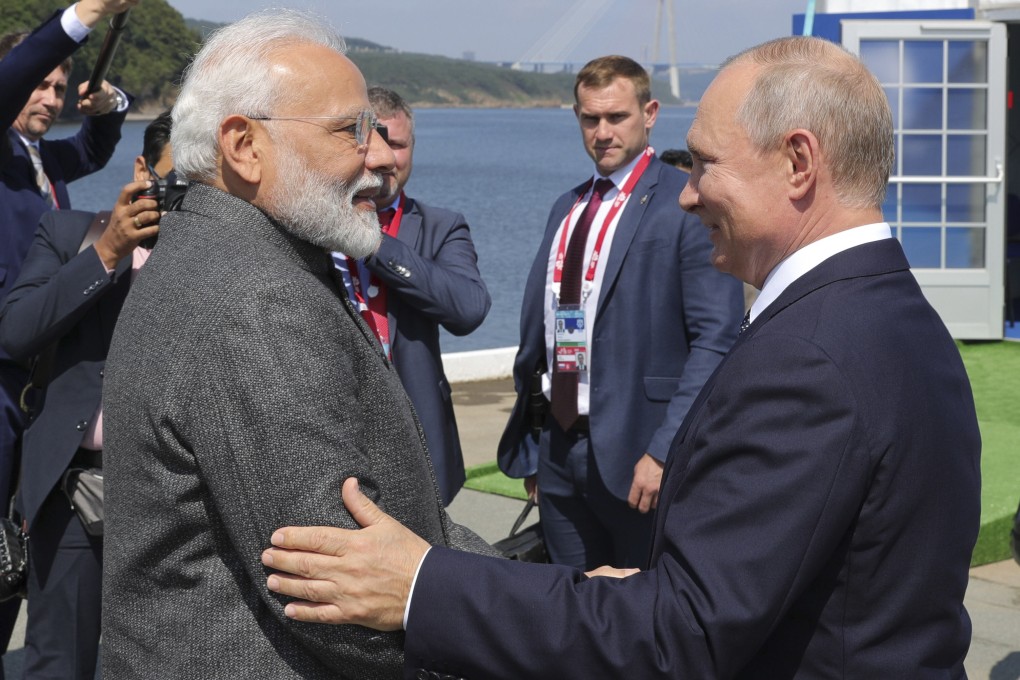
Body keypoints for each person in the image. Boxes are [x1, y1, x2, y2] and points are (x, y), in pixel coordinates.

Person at [262, 35, 982, 679]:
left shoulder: (811, 357)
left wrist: (422, 585)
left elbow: (682, 635)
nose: (690, 194)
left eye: (705, 165)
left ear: (798, 162)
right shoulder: (892, 315)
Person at [100, 10, 496, 679]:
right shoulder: (256, 298)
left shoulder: (206, 248)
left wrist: (544, 593)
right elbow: (335, 593)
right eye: (350, 131)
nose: (375, 158)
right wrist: (538, 628)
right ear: (244, 145)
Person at [496, 55, 743, 569]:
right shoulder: (567, 207)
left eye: (617, 117)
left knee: (642, 613)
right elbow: (548, 328)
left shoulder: (685, 203)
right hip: (559, 450)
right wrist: (539, 441)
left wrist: (663, 451)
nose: (603, 132)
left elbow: (716, 339)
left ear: (650, 113)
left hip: (639, 452)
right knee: (570, 611)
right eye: (590, 119)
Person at [0, 111, 170, 680]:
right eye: (171, 181)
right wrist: (107, 253)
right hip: (74, 491)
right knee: (58, 663)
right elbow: (16, 331)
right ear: (142, 169)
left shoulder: (213, 261)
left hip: (171, 495)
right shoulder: (71, 233)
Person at [0, 0, 136, 668]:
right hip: (4, 371)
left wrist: (109, 99)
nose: (50, 96)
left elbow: (96, 143)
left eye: (60, 86)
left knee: (23, 559)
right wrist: (85, 13)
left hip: (38, 381)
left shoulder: (39, 161)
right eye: (39, 83)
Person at [333, 86, 490, 506]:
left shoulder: (442, 226)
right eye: (372, 141)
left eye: (398, 144)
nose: (387, 158)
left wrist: (373, 242)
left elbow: (469, 309)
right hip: (338, 436)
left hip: (421, 442)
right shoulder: (313, 225)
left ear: (412, 148)